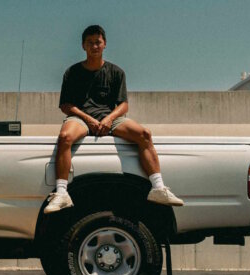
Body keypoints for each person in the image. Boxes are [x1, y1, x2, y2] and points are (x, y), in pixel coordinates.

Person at [44, 24, 184, 214]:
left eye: (98, 42)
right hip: (81, 118)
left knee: (144, 134)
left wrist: (108, 119)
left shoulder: (116, 72)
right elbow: (66, 106)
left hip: (110, 118)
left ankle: (158, 188)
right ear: (83, 46)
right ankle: (61, 193)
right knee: (65, 137)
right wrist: (89, 119)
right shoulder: (72, 72)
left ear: (105, 44)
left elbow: (123, 105)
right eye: (90, 42)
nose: (94, 46)